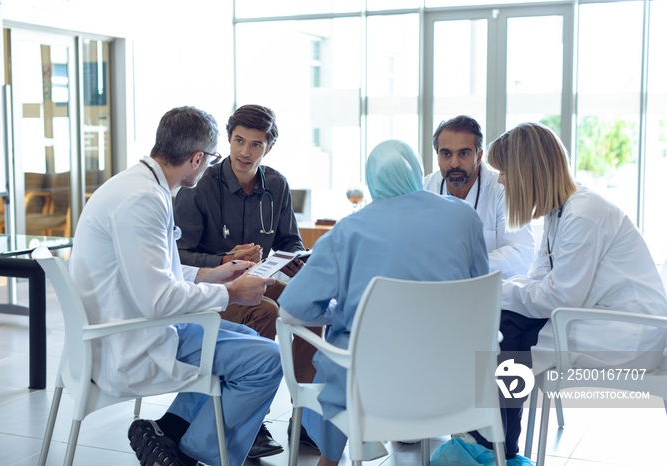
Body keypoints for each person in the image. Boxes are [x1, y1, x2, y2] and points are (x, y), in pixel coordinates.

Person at [69, 106, 283, 466]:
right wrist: (232, 293)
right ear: (197, 158)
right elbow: (159, 300)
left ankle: (169, 433)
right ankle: (193, 454)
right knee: (267, 362)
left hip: (125, 326)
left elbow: (151, 273)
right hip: (130, 340)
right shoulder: (143, 201)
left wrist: (210, 275)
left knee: (256, 343)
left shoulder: (136, 185)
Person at [278, 139, 490, 466]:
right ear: (418, 172)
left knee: (340, 356)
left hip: (370, 388)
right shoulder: (465, 217)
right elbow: (480, 291)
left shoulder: (347, 231)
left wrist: (343, 313)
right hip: (455, 381)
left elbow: (291, 309)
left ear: (371, 179)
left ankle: (330, 459)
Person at [473, 122, 667, 462]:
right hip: (599, 317)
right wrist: (498, 292)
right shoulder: (559, 213)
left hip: (632, 333)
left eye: (504, 172)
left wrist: (492, 294)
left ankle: (495, 443)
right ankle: (498, 441)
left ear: (526, 171)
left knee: (505, 330)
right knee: (505, 325)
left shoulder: (583, 214)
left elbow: (559, 298)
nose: (500, 181)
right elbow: (538, 279)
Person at [174, 104, 319, 455]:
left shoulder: (277, 186)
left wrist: (296, 259)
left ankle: (308, 420)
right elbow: (178, 256)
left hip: (260, 282)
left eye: (256, 144)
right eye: (239, 141)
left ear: (268, 147)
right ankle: (251, 423)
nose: (245, 151)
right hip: (212, 293)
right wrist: (224, 260)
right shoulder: (199, 186)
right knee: (266, 310)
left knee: (311, 307)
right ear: (227, 138)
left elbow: (289, 241)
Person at [424, 115, 534, 279]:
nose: (454, 163)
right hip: (431, 289)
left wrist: (467, 266)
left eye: (464, 153)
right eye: (446, 154)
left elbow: (521, 252)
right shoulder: (423, 189)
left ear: (479, 155)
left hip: (485, 292)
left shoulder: (502, 189)